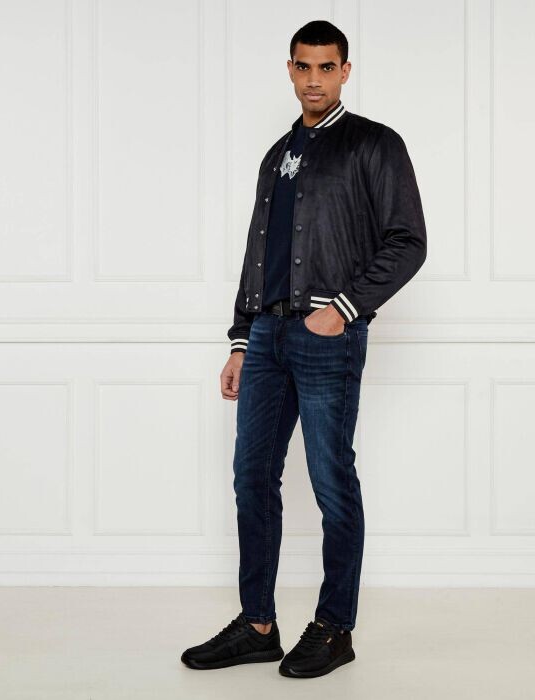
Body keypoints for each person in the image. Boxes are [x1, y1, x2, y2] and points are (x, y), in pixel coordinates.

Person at [181, 19, 427, 678]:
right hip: (266, 337)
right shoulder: (277, 154)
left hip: (327, 338)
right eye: (303, 66)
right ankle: (258, 624)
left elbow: (408, 240)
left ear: (345, 70)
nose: (313, 79)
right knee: (252, 477)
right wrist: (241, 338)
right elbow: (258, 251)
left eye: (326, 67)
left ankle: (335, 627)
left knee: (331, 480)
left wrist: (341, 310)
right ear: (289, 69)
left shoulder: (373, 144)